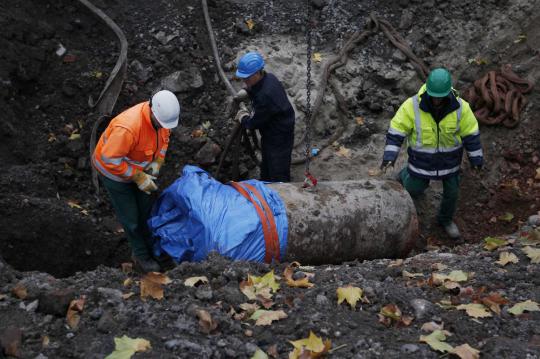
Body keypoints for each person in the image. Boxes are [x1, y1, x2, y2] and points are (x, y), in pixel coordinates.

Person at [381, 68, 483, 239]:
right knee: (414, 188)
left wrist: (476, 159)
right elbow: (396, 132)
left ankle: (445, 220)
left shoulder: (461, 108)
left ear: (448, 92)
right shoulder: (411, 106)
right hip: (422, 163)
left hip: (450, 163)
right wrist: (389, 157)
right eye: (434, 96)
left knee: (452, 194)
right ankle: (404, 174)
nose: (436, 100)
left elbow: (471, 135)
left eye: (440, 96)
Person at [92, 90, 180, 273]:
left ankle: (155, 249)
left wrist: (156, 165)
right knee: (131, 218)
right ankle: (141, 255)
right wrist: (138, 176)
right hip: (113, 174)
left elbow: (164, 141)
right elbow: (110, 159)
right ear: (152, 110)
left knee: (147, 212)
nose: (164, 126)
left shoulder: (162, 120)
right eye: (161, 123)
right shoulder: (128, 127)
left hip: (140, 169)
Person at [234, 51, 295, 182]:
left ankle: (283, 194)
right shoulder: (269, 77)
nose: (244, 81)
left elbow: (254, 123)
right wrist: (247, 91)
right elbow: (257, 89)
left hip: (279, 136)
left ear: (257, 73)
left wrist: (243, 117)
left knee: (278, 169)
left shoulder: (265, 96)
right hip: (272, 130)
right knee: (267, 164)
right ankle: (265, 182)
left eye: (247, 78)